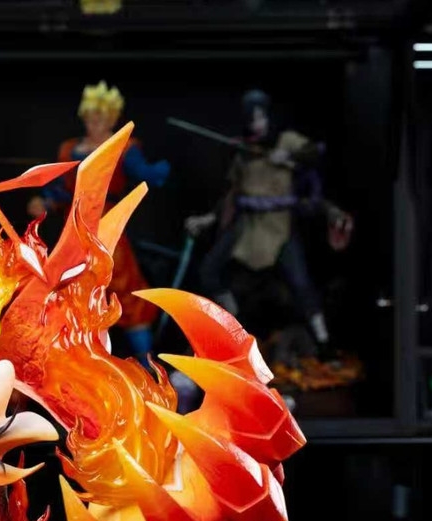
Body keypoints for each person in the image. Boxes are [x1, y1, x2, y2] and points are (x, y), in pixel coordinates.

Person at [186, 89, 351, 361]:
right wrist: (209, 219)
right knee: (209, 272)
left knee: (301, 283)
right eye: (251, 120)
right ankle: (236, 331)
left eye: (260, 118)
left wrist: (288, 156)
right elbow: (232, 194)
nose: (257, 125)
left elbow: (316, 151)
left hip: (278, 225)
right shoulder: (244, 151)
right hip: (248, 225)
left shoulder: (287, 140)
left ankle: (324, 342)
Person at [28, 82, 171, 362]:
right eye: (91, 118)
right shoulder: (70, 149)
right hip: (75, 226)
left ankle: (148, 365)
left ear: (112, 119)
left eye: (102, 118)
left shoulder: (124, 147)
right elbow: (60, 189)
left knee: (124, 290)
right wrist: (44, 201)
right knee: (69, 289)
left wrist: (159, 170)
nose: (95, 124)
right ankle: (71, 359)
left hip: (107, 226)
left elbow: (145, 174)